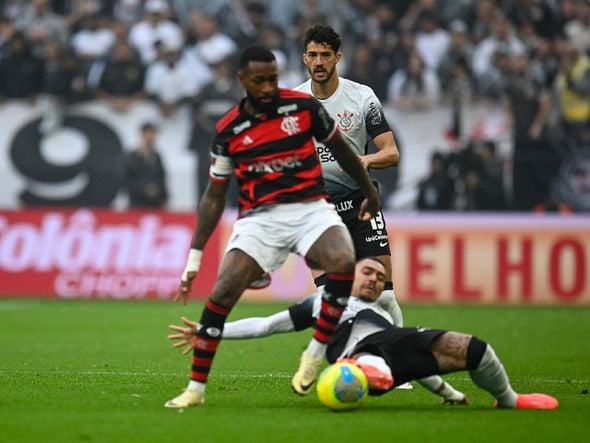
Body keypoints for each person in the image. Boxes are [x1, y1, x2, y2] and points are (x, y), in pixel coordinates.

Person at [164, 46, 381, 408]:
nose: (267, 88)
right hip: (260, 219)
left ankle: (314, 352)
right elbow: (214, 197)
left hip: (311, 208)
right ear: (242, 80)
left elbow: (343, 151)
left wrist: (369, 190)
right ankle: (195, 390)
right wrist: (194, 258)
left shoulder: (304, 108)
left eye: (273, 79)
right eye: (259, 80)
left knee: (343, 262)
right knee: (222, 293)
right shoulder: (229, 129)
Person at [168, 257, 559, 410]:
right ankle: (359, 370)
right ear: (351, 274)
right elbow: (266, 325)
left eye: (379, 278)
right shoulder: (322, 300)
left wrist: (449, 393)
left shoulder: (382, 310)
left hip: (389, 349)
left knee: (472, 348)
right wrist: (211, 331)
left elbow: (416, 365)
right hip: (356, 349)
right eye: (368, 273)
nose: (374, 281)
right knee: (373, 353)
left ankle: (508, 400)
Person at [291, 24, 404, 331]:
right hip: (318, 213)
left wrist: (363, 160)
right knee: (333, 298)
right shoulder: (293, 103)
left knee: (383, 297)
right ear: (304, 58)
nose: (319, 62)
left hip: (361, 205)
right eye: (312, 55)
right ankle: (353, 359)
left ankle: (396, 365)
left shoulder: (362, 97)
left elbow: (391, 153)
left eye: (325, 55)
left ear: (337, 57)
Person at [125, 122, 168, 208]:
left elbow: (162, 177)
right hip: (138, 203)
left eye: (154, 133)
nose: (152, 137)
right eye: (150, 133)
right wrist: (145, 189)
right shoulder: (132, 156)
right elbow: (129, 178)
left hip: (155, 202)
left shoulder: (157, 156)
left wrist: (164, 196)